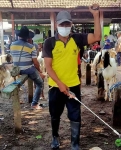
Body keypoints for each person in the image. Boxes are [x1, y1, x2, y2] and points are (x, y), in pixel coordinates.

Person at [43, 4, 101, 150]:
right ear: (57, 25)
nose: (64, 26)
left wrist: (95, 15)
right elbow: (48, 67)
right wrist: (59, 83)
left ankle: (75, 143)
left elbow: (97, 37)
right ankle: (55, 137)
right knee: (55, 114)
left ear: (71, 24)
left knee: (75, 116)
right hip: (55, 87)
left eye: (67, 23)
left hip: (74, 85)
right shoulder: (49, 43)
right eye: (62, 24)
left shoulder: (77, 39)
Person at [10, 26, 44, 110]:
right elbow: (35, 63)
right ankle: (34, 103)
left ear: (19, 36)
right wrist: (40, 71)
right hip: (28, 69)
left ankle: (32, 101)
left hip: (17, 69)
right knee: (40, 83)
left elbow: (13, 57)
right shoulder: (31, 46)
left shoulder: (12, 45)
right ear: (28, 37)